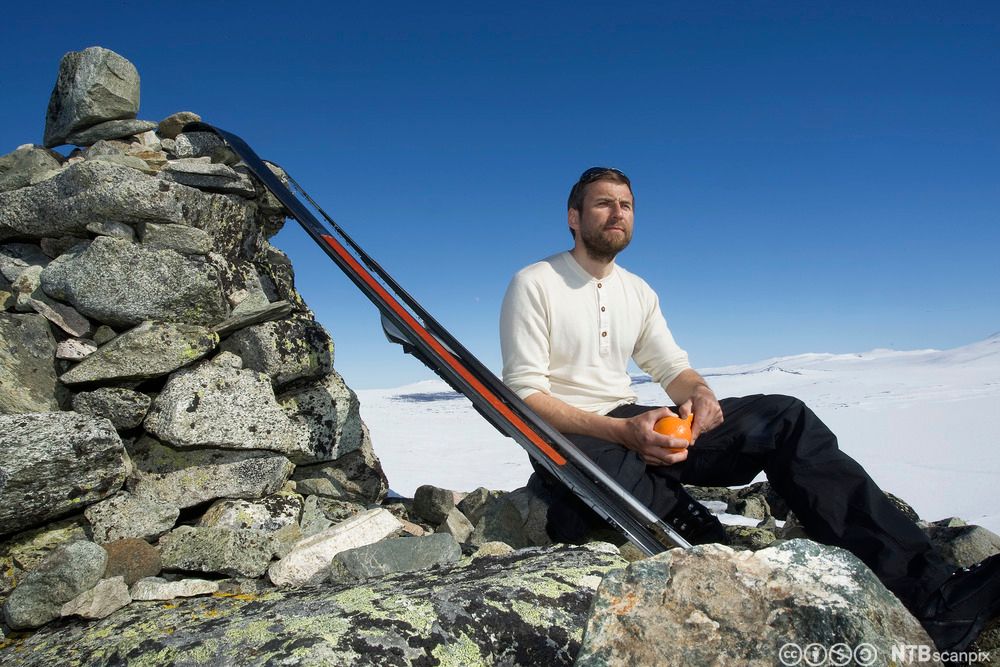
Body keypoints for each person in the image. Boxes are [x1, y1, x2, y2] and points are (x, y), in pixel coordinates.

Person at [499, 166, 1000, 653]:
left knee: (785, 417)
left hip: (637, 419)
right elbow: (526, 396)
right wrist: (623, 432)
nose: (618, 214)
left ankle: (930, 594)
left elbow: (673, 367)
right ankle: (653, 513)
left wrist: (700, 395)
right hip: (568, 433)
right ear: (573, 216)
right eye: (604, 203)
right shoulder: (535, 282)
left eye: (626, 205)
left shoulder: (639, 291)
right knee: (638, 494)